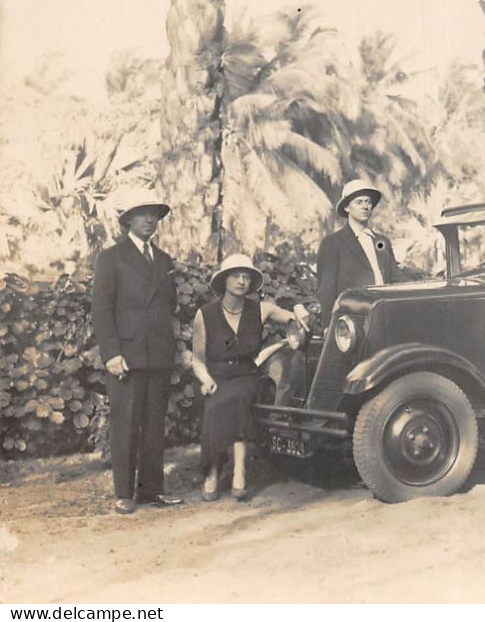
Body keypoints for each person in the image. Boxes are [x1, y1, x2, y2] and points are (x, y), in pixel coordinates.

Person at [190, 252, 310, 502]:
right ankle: (212, 471)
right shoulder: (205, 314)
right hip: (215, 376)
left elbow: (294, 320)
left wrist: (299, 310)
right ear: (224, 280)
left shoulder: (261, 309)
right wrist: (205, 379)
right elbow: (197, 358)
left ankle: (239, 470)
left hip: (246, 375)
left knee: (239, 397)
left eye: (246, 277)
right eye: (236, 276)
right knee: (214, 405)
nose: (242, 282)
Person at [91, 190, 183, 515]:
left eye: (154, 214)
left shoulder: (164, 260)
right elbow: (101, 310)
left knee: (155, 424)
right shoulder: (111, 258)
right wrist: (112, 353)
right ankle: (124, 494)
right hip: (126, 354)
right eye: (142, 213)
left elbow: (168, 307)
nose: (149, 219)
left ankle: (151, 491)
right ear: (128, 219)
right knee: (126, 424)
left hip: (158, 353)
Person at [317, 179, 403, 329]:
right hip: (353, 320)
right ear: (347, 207)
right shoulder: (333, 243)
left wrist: (430, 283)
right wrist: (328, 326)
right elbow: (326, 289)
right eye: (359, 202)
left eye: (368, 202)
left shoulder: (381, 242)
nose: (365, 206)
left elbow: (395, 276)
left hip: (386, 315)